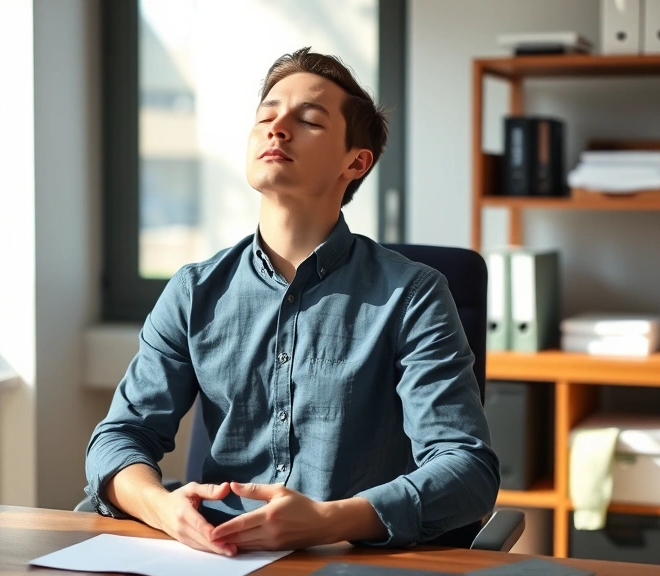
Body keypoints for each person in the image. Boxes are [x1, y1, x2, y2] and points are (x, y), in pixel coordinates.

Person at [85, 47, 499, 556]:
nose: (277, 128)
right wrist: (163, 508)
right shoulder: (193, 291)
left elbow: (467, 470)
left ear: (356, 162)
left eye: (308, 120)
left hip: (351, 559)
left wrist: (328, 521)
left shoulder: (413, 295)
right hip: (215, 557)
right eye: (267, 115)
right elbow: (119, 437)